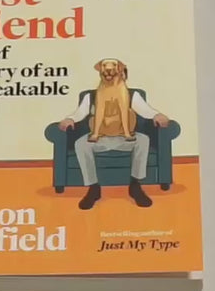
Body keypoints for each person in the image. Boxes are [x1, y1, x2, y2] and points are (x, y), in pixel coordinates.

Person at [55, 58, 171, 209]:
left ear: (120, 71)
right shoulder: (91, 96)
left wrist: (157, 115)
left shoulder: (131, 94)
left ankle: (135, 185)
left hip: (124, 137)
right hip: (100, 138)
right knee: (80, 143)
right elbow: (80, 113)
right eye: (105, 67)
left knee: (143, 140)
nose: (109, 70)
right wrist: (69, 119)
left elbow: (145, 110)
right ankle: (93, 188)